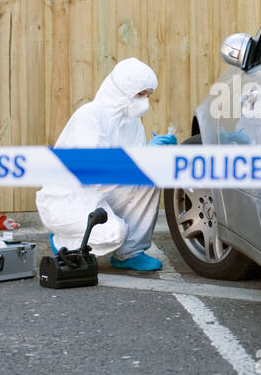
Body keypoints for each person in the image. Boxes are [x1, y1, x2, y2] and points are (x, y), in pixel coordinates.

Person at [36, 58, 176, 272]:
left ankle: (129, 253)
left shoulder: (132, 122)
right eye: (140, 95)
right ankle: (63, 241)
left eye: (148, 95)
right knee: (114, 233)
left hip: (101, 195)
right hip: (68, 201)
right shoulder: (89, 116)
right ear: (121, 91)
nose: (145, 101)